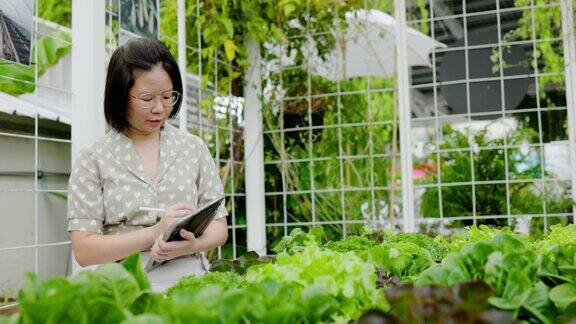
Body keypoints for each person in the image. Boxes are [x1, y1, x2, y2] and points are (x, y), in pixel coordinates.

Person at [67, 37, 228, 291]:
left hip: (190, 284)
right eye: (147, 98)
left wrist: (191, 246)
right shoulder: (94, 158)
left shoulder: (192, 147)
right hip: (123, 287)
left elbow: (219, 225)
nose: (159, 109)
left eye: (167, 97)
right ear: (120, 95)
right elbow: (84, 249)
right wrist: (155, 233)